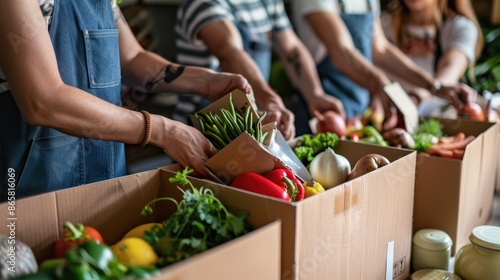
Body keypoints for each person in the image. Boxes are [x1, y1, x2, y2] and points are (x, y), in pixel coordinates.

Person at [0, 0, 252, 200]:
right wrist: (162, 131)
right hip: (32, 186)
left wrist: (207, 82)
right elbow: (44, 101)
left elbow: (132, 58)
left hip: (106, 172)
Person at [290, 0, 477, 132]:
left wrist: (433, 85)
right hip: (320, 113)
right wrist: (384, 86)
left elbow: (380, 49)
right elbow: (342, 52)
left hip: (356, 115)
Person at [174, 0, 347, 138]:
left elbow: (292, 49)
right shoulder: (201, 3)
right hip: (203, 129)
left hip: (252, 124)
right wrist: (269, 99)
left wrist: (315, 94)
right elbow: (230, 52)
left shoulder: (268, 2)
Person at [381, 0, 483, 115]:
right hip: (389, 111)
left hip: (434, 115)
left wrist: (417, 97)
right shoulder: (385, 24)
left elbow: (449, 71)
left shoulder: (459, 27)